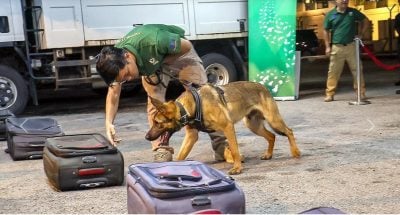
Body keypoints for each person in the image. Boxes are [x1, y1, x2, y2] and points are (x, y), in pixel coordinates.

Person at [96, 24, 228, 162]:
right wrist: (108, 123)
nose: (129, 79)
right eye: (123, 79)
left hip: (179, 54)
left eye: (128, 74)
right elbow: (114, 93)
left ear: (127, 56)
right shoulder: (115, 60)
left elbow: (186, 46)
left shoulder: (156, 40)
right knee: (155, 103)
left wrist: (159, 62)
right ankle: (161, 149)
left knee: (204, 99)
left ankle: (223, 148)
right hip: (150, 63)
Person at [322, 0, 370, 102]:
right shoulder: (330, 15)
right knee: (333, 72)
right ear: (336, 1)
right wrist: (327, 46)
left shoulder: (353, 12)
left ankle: (360, 93)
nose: (345, 1)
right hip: (337, 47)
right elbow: (325, 30)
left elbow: (365, 20)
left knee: (357, 70)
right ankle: (330, 94)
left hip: (351, 46)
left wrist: (361, 34)